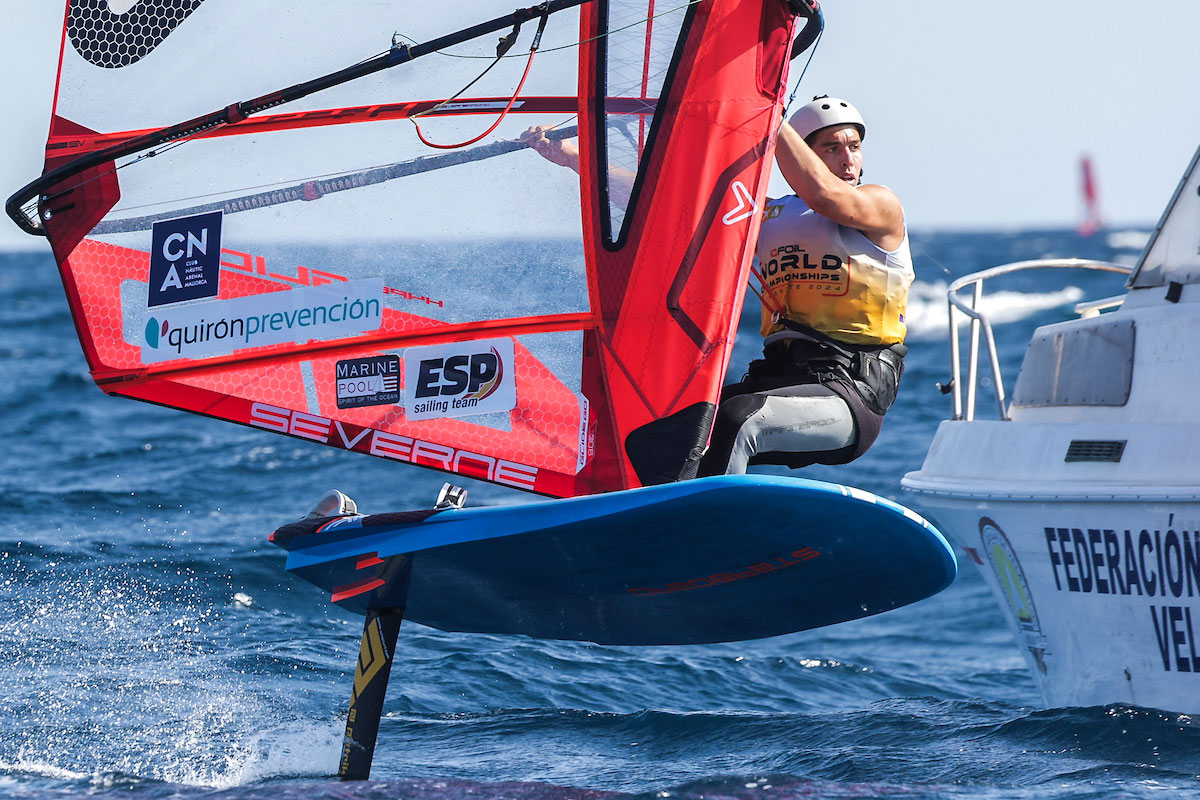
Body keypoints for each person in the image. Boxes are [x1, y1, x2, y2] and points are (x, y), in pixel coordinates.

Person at [698, 95, 914, 476]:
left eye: (855, 146)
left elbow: (825, 196)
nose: (849, 159)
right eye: (832, 148)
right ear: (803, 155)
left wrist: (769, 114)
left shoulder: (879, 205)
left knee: (738, 420)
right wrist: (572, 157)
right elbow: (686, 205)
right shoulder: (768, 215)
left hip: (849, 394)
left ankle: (714, 530)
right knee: (681, 424)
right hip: (779, 380)